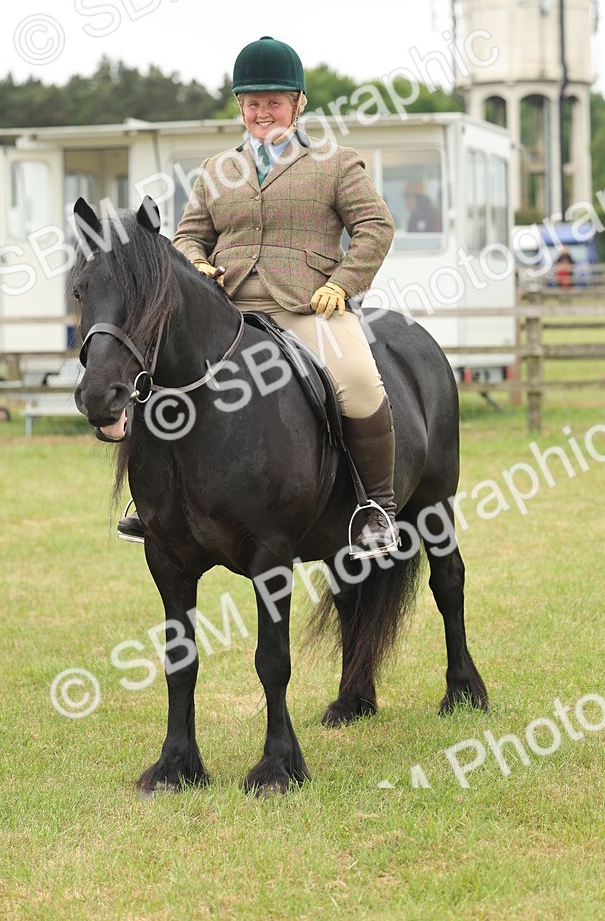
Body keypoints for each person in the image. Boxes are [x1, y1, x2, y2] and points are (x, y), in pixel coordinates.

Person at [118, 36, 399, 561]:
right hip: (229, 311)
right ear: (240, 107)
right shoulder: (216, 171)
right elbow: (187, 238)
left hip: (307, 306)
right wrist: (197, 264)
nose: (262, 112)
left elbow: (375, 227)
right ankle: (152, 501)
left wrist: (342, 282)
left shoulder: (335, 162)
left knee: (360, 381)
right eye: (252, 103)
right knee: (157, 374)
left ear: (298, 104)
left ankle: (375, 510)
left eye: (273, 102)